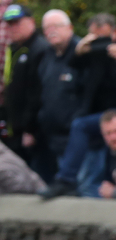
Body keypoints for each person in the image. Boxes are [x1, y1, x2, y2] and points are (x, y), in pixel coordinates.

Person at [39, 13, 116, 200]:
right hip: (100, 116)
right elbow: (73, 67)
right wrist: (80, 51)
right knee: (93, 154)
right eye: (96, 38)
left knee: (81, 126)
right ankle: (70, 182)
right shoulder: (92, 52)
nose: (101, 43)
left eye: (104, 38)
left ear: (115, 32)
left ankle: (66, 179)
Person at [28, 10, 79, 181]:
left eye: (56, 26)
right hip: (51, 137)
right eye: (47, 28)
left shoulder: (81, 53)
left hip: (75, 137)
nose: (51, 31)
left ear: (70, 27)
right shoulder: (47, 55)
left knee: (80, 187)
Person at [2, 4, 40, 161]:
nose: (13, 28)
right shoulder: (13, 48)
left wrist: (30, 129)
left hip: (32, 131)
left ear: (31, 21)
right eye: (9, 24)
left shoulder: (39, 48)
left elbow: (36, 93)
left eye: (17, 23)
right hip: (13, 126)